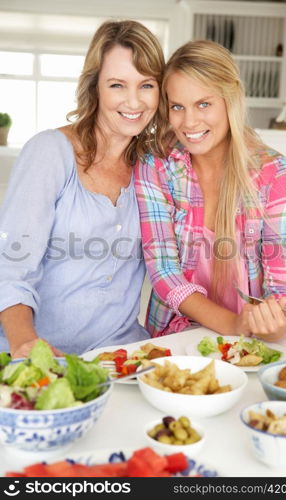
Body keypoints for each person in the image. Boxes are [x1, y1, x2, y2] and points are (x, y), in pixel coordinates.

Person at [0, 19, 167, 358]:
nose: (134, 102)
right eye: (118, 85)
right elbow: (12, 268)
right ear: (95, 87)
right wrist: (26, 344)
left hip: (121, 357)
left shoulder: (155, 167)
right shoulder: (50, 151)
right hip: (36, 356)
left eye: (146, 85)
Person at [135, 39, 286, 342]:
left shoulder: (275, 173)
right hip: (177, 335)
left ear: (231, 100)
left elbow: (283, 285)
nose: (189, 122)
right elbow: (163, 271)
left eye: (204, 104)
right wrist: (233, 324)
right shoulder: (157, 166)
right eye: (177, 106)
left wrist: (277, 322)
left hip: (256, 343)